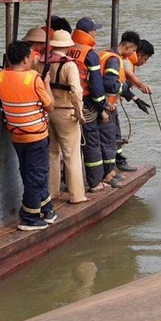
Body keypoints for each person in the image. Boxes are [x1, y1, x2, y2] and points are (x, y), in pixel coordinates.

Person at [0, 40, 56, 231]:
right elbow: (50, 106)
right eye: (31, 57)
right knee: (37, 174)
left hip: (16, 135)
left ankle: (46, 207)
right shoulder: (33, 78)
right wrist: (46, 84)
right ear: (24, 59)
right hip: (35, 136)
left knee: (28, 171)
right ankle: (30, 217)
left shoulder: (0, 77)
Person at [43, 29, 87, 204]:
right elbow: (76, 91)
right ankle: (77, 195)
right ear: (68, 46)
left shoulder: (41, 62)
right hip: (66, 111)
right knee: (71, 155)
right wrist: (79, 112)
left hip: (48, 112)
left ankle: (52, 191)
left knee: (52, 153)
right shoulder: (70, 66)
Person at [68, 17, 110, 192]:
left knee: (72, 146)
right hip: (86, 104)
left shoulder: (67, 49)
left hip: (66, 102)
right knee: (91, 143)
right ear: (89, 33)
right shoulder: (90, 54)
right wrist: (102, 108)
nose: (96, 33)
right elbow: (96, 85)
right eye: (94, 30)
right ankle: (95, 182)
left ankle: (68, 182)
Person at [98, 31, 139, 186]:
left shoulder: (104, 54)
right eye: (133, 51)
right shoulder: (114, 61)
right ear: (127, 46)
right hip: (107, 105)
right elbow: (110, 84)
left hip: (106, 104)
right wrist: (126, 86)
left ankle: (111, 170)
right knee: (108, 141)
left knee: (112, 137)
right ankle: (107, 174)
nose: (132, 54)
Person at [115, 38, 154, 173]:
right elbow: (129, 77)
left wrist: (135, 97)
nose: (145, 63)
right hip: (107, 105)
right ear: (138, 53)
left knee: (115, 133)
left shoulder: (127, 60)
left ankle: (116, 160)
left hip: (111, 102)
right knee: (115, 133)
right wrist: (141, 88)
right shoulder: (124, 60)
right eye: (145, 59)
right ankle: (118, 162)